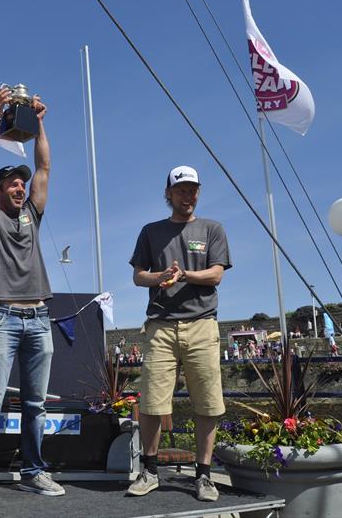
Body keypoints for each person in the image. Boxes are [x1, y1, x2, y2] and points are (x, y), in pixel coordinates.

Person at [0, 86, 64, 504]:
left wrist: (37, 121)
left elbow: (44, 165)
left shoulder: (32, 216)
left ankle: (33, 472)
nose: (20, 187)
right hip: (2, 317)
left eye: (21, 184)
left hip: (39, 318)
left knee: (36, 406)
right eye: (12, 184)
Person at [127, 165, 231, 502]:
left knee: (208, 402)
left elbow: (216, 274)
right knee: (152, 402)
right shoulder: (150, 231)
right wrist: (159, 278)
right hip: (160, 325)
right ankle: (150, 471)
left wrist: (184, 274)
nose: (188, 195)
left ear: (198, 193)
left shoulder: (213, 228)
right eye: (181, 189)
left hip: (202, 324)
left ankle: (204, 476)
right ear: (168, 194)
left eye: (193, 189)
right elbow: (138, 275)